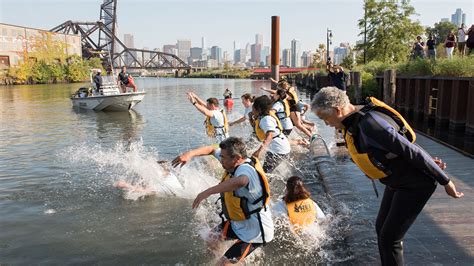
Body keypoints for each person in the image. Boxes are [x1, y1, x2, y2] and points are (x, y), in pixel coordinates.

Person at [310, 87, 464, 265]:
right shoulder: (354, 121)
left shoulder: (371, 124)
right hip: (397, 180)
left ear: (338, 110)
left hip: (416, 184)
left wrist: (445, 180)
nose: (326, 123)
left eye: (325, 118)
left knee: (390, 238)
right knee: (382, 229)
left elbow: (409, 149)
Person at [171, 137, 274, 265]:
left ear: (236, 158)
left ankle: (226, 261)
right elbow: (211, 149)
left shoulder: (246, 169)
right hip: (239, 222)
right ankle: (229, 258)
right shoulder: (232, 160)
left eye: (224, 157)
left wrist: (207, 192)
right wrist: (189, 154)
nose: (221, 160)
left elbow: (242, 181)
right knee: (211, 239)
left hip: (256, 230)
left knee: (223, 264)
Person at [252, 95, 291, 173]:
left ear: (258, 109)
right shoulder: (264, 117)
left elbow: (270, 135)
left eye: (253, 108)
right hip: (278, 146)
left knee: (265, 173)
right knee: (266, 171)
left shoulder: (265, 119)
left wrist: (259, 151)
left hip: (278, 149)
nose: (252, 111)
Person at [115, 161, 183, 197]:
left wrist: (125, 185)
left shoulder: (159, 186)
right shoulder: (170, 175)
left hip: (176, 194)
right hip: (180, 191)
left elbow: (144, 191)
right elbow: (165, 168)